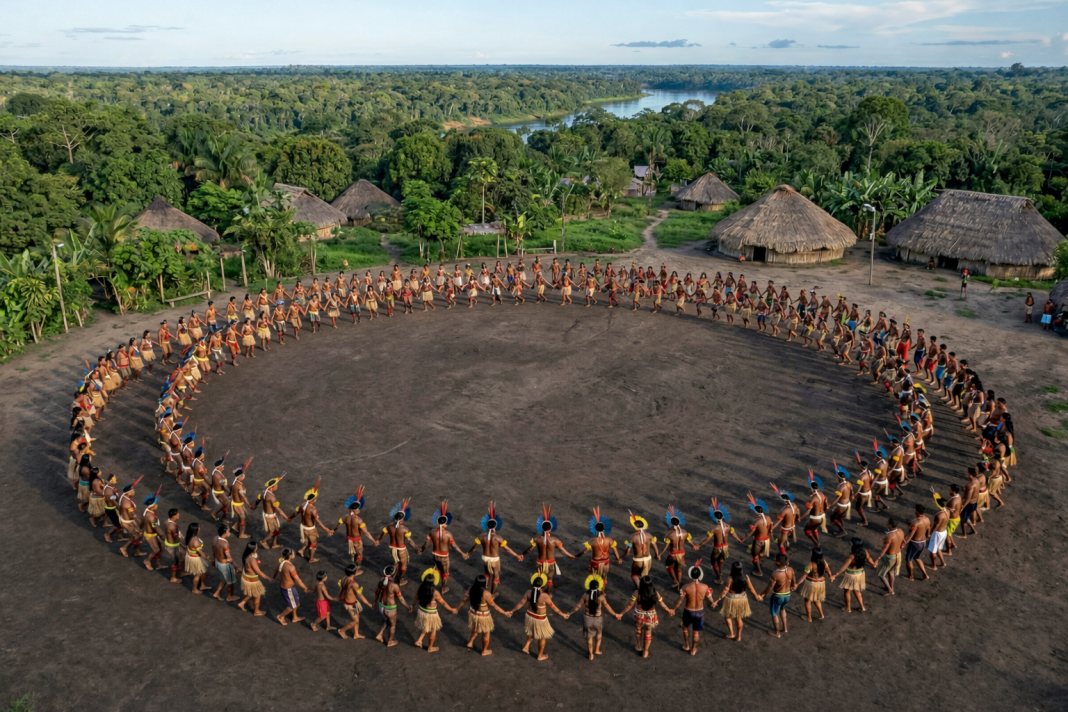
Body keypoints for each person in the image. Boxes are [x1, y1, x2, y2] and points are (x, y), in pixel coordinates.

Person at [508, 573, 569, 661]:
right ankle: (540, 655)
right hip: (540, 619)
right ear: (542, 585)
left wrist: (512, 611)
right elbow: (554, 607)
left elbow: (521, 604)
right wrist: (562, 614)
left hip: (529, 616)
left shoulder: (528, 592)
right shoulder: (544, 596)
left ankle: (526, 646)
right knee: (542, 636)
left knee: (533, 630)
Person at [468, 503, 522, 594]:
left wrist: (468, 554)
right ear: (495, 526)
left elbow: (474, 546)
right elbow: (507, 549)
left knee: (486, 573)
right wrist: (517, 555)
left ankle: (484, 588)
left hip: (485, 558)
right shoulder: (498, 538)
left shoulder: (481, 536)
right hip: (494, 560)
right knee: (496, 576)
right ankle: (493, 594)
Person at [521, 505, 577, 593]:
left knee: (540, 578)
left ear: (541, 528)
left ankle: (541, 594)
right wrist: (571, 555)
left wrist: (522, 554)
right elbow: (562, 550)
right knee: (550, 579)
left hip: (540, 562)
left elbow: (529, 550)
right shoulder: (554, 540)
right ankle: (549, 594)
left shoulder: (537, 539)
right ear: (550, 529)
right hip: (551, 562)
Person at [616, 576, 672, 658]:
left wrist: (621, 614)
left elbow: (629, 605)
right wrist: (668, 609)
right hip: (650, 617)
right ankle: (645, 652)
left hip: (639, 616)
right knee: (648, 633)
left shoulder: (636, 593)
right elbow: (661, 603)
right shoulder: (655, 593)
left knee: (638, 630)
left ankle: (638, 646)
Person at [419, 500, 468, 593]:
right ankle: (443, 588)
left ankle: (432, 584)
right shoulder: (448, 534)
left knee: (437, 569)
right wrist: (462, 553)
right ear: (445, 523)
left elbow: (426, 543)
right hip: (444, 558)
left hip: (435, 556)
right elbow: (454, 546)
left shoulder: (432, 532)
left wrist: (421, 549)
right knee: (445, 574)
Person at [567, 574, 620, 660]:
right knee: (599, 634)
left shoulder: (585, 596)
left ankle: (590, 654)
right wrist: (615, 614)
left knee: (589, 637)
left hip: (587, 619)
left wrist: (569, 613)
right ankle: (597, 650)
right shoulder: (601, 597)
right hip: (598, 619)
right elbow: (607, 606)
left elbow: (578, 606)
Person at [456, 574, 511, 656]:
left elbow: (464, 600)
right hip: (483, 617)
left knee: (475, 628)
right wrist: (504, 612)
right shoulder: (486, 594)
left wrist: (457, 608)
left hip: (473, 614)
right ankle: (484, 650)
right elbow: (495, 606)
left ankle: (470, 642)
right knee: (486, 633)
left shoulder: (471, 589)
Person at [713, 562, 762, 642]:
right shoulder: (746, 577)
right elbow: (750, 588)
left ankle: (731, 633)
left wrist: (717, 600)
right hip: (742, 599)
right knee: (738, 617)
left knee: (727, 616)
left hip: (731, 599)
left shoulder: (730, 579)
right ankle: (738, 636)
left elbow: (725, 591)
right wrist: (756, 596)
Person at [674, 562, 716, 655]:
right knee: (696, 631)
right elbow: (710, 599)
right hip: (700, 612)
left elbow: (680, 600)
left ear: (690, 575)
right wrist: (712, 603)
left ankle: (686, 645)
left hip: (688, 611)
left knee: (685, 627)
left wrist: (674, 609)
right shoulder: (705, 587)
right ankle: (693, 650)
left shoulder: (686, 587)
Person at [574, 508, 621, 589]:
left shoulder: (592, 541)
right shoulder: (609, 540)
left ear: (595, 529)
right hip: (605, 562)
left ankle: (595, 591)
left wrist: (576, 556)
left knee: (594, 579)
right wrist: (618, 558)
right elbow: (615, 550)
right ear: (604, 529)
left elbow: (584, 552)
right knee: (603, 578)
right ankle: (603, 592)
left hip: (595, 563)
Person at [378, 500, 418, 586]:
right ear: (402, 519)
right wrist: (416, 548)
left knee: (396, 562)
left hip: (392, 549)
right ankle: (400, 579)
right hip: (401, 550)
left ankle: (392, 575)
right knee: (403, 565)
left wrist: (378, 540)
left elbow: (383, 534)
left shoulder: (389, 526)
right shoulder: (404, 529)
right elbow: (410, 541)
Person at [340, 488, 377, 574]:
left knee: (353, 554)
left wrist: (332, 530)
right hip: (356, 540)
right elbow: (366, 533)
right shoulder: (359, 520)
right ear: (356, 510)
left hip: (349, 539)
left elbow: (339, 524)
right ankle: (357, 569)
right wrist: (374, 541)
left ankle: (353, 566)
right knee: (359, 555)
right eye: (358, 509)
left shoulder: (345, 517)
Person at [835, 538, 877, 613]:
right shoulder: (865, 551)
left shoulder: (851, 556)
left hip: (852, 575)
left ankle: (848, 608)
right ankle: (862, 607)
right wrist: (873, 564)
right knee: (857, 591)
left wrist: (836, 574)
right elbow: (869, 558)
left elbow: (845, 566)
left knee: (847, 591)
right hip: (860, 573)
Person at [760, 553, 796, 638]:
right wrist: (793, 585)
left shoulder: (775, 574)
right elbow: (793, 577)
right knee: (783, 609)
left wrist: (762, 594)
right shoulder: (790, 569)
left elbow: (770, 587)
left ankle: (777, 633)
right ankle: (785, 628)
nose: (774, 560)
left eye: (775, 560)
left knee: (774, 614)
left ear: (778, 562)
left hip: (778, 596)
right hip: (787, 595)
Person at [622, 512, 662, 587]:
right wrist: (657, 555)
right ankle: (645, 588)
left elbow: (628, 549)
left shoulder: (633, 537)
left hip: (638, 560)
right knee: (644, 576)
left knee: (634, 575)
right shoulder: (649, 535)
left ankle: (638, 589)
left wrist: (623, 556)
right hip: (648, 559)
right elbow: (654, 545)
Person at [336, 564, 374, 639]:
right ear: (354, 573)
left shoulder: (344, 578)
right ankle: (342, 630)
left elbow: (341, 588)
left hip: (350, 602)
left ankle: (356, 634)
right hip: (351, 605)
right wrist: (368, 604)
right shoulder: (354, 584)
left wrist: (339, 597)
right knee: (355, 621)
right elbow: (360, 596)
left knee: (357, 618)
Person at [273, 548, 309, 626]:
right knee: (292, 606)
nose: (294, 554)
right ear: (290, 556)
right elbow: (298, 580)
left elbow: (276, 570)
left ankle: (294, 617)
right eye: (293, 553)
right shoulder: (291, 567)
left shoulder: (281, 563)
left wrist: (273, 578)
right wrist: (305, 587)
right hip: (288, 590)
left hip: (287, 588)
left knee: (297, 603)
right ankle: (280, 616)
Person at [660, 506, 694, 589]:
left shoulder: (669, 534)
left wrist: (660, 554)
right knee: (679, 569)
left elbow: (665, 547)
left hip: (672, 554)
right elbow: (689, 541)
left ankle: (675, 580)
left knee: (668, 565)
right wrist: (694, 545)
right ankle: (678, 585)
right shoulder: (685, 532)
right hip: (681, 553)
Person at [374, 565, 408, 646]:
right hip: (390, 609)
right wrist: (408, 606)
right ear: (394, 574)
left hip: (381, 606)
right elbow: (401, 598)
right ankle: (389, 642)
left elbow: (377, 593)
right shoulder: (394, 585)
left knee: (387, 620)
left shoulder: (381, 582)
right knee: (392, 625)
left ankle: (380, 633)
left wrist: (374, 603)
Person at [237, 540, 272, 616]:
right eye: (256, 546)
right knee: (257, 595)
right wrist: (268, 578)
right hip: (252, 580)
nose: (257, 547)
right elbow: (259, 572)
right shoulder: (251, 559)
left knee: (251, 593)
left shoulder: (247, 555)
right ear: (254, 549)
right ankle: (256, 611)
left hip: (247, 577)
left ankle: (242, 603)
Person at [798, 548, 833, 622]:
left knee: (807, 600)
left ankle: (809, 618)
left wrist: (797, 584)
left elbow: (804, 576)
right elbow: (828, 570)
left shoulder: (810, 565)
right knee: (816, 600)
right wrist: (831, 576)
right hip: (821, 583)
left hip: (811, 584)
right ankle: (821, 615)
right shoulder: (824, 562)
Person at [873, 517, 905, 595]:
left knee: (881, 574)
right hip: (898, 555)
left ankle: (890, 590)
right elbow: (904, 541)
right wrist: (899, 547)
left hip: (890, 557)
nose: (886, 523)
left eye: (888, 522)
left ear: (890, 525)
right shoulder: (900, 531)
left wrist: (878, 558)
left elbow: (884, 549)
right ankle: (891, 587)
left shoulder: (889, 535)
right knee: (890, 572)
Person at [212, 524, 240, 602]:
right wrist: (233, 566)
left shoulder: (215, 538)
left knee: (224, 578)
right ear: (224, 533)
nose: (229, 533)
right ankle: (229, 596)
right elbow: (229, 558)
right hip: (224, 564)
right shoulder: (225, 544)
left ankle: (217, 593)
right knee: (230, 581)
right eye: (228, 531)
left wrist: (214, 560)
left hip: (218, 561)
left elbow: (214, 551)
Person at [903, 504, 931, 581]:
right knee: (917, 557)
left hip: (915, 543)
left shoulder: (915, 522)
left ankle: (910, 576)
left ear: (916, 511)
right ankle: (925, 575)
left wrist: (904, 543)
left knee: (909, 560)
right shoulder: (927, 519)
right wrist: (928, 535)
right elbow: (928, 527)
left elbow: (910, 535)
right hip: (923, 542)